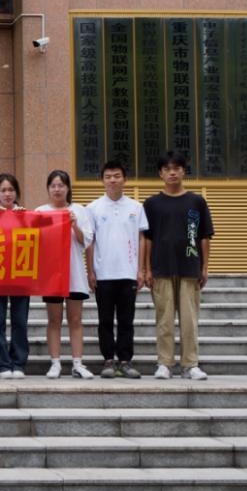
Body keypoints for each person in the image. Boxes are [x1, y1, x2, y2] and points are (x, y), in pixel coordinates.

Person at [143, 151, 214, 381]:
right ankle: (164, 363)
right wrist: (146, 269)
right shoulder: (152, 204)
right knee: (164, 320)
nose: (172, 173)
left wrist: (205, 267)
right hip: (161, 268)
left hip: (190, 267)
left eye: (176, 168)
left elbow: (204, 236)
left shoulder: (196, 202)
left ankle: (190, 364)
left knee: (189, 320)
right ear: (161, 174)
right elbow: (147, 239)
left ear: (184, 171)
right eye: (167, 169)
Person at [87, 160, 148, 380]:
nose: (112, 180)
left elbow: (142, 239)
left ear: (125, 179)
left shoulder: (136, 207)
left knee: (126, 320)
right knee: (104, 320)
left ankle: (125, 361)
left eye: (117, 176)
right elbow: (90, 242)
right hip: (103, 274)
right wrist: (90, 271)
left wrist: (141, 270)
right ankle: (108, 360)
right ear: (102, 181)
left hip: (128, 273)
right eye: (108, 176)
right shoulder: (92, 208)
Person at [36, 170, 94, 379]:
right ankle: (55, 362)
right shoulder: (40, 212)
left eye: (61, 185)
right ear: (48, 189)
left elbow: (85, 241)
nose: (57, 189)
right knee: (54, 319)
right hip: (52, 274)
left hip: (75, 273)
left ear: (68, 188)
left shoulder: (79, 211)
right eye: (53, 185)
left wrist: (74, 224)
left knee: (75, 319)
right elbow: (34, 240)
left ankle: (77, 363)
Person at [0, 173, 29, 380]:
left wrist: (25, 220)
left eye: (11, 190)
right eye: (3, 190)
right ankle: (3, 364)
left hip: (21, 274)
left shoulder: (26, 215)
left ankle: (18, 362)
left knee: (20, 320)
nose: (7, 194)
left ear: (17, 193)